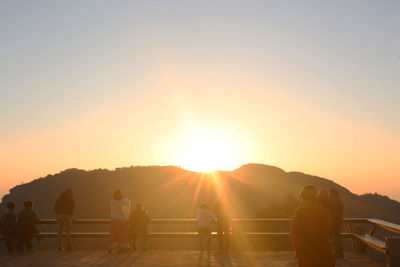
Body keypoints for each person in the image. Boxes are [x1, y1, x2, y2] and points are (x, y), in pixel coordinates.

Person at [290, 185, 334, 267]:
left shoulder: (299, 213)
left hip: (306, 256)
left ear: (303, 197)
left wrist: (300, 249)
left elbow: (294, 233)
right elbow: (327, 232)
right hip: (322, 254)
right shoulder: (323, 212)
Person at [329, 188, 344, 259]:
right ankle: (339, 253)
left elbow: (333, 216)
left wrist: (331, 224)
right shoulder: (339, 203)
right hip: (339, 223)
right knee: (338, 238)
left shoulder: (334, 203)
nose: (329, 195)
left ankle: (337, 253)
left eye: (330, 194)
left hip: (335, 223)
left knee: (336, 239)